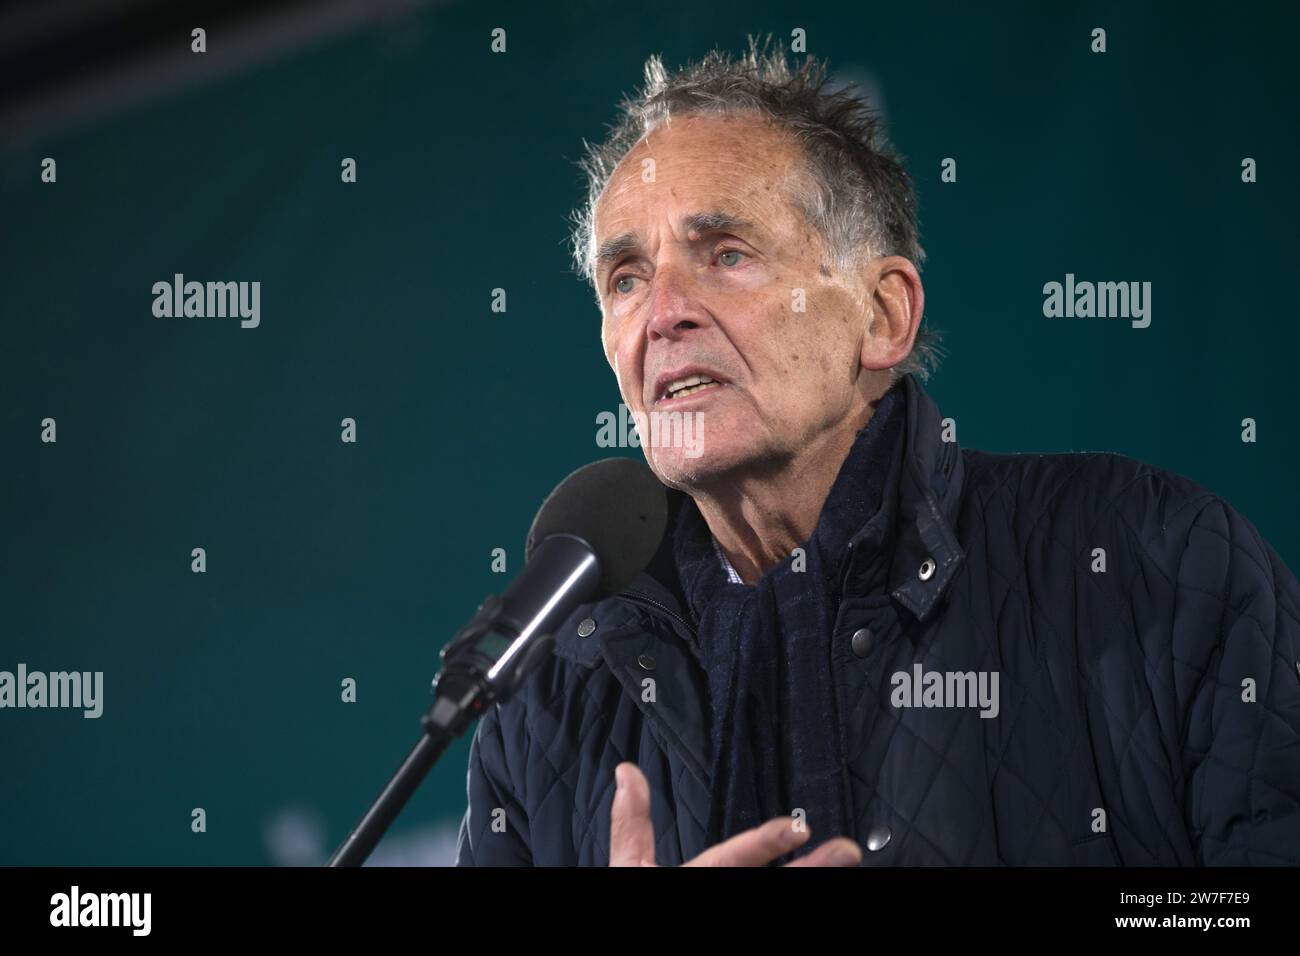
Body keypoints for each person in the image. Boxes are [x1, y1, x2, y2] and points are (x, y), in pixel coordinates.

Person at [455, 38, 1300, 866]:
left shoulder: (1157, 564)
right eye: (626, 279)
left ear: (883, 315)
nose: (663, 312)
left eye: (728, 254)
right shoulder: (547, 697)